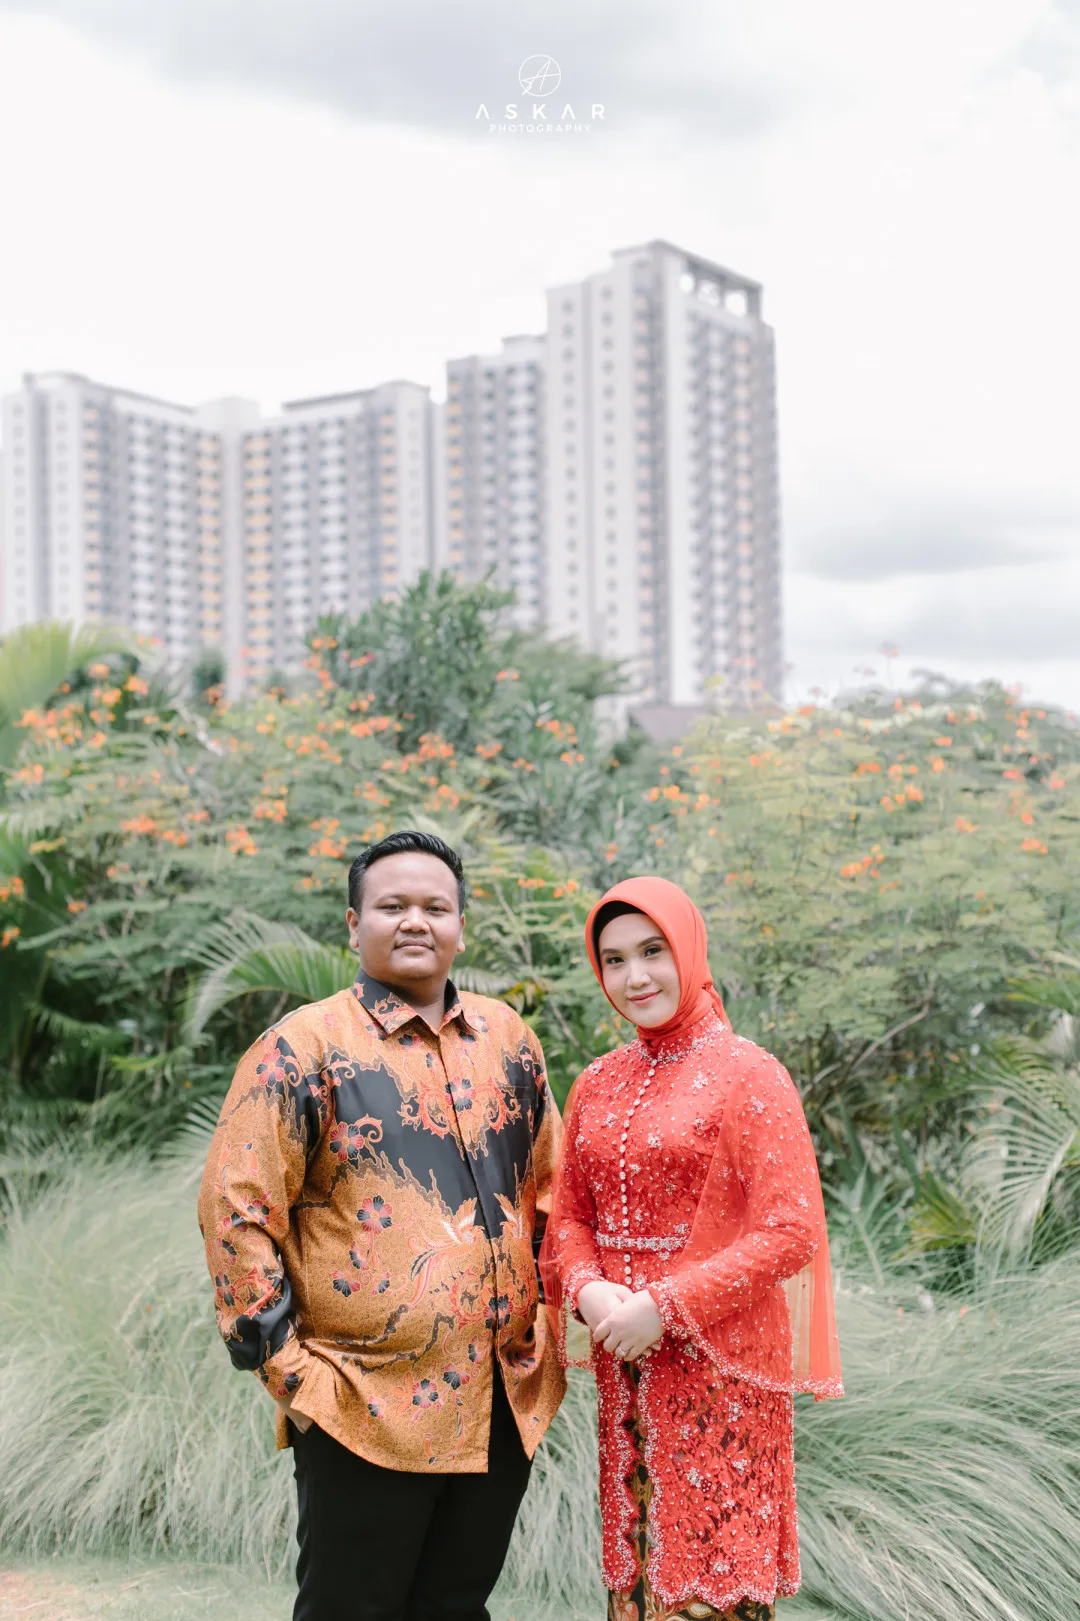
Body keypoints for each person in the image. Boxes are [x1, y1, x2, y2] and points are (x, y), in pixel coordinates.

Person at [198, 829, 565, 1621]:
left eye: (436, 906)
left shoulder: (509, 1041)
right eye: (392, 904)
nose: (415, 920)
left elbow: (553, 1194)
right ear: (353, 922)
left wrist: (550, 1331)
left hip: (499, 1397)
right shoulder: (302, 1048)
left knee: (455, 1607)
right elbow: (237, 1212)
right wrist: (294, 1378)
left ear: (461, 925)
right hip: (360, 1404)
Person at [540, 876, 843, 1621]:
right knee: (637, 1575)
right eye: (614, 960)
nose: (635, 976)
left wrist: (664, 1307)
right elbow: (569, 1216)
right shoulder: (598, 1082)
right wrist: (588, 1290)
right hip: (625, 1364)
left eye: (653, 951)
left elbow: (791, 1229)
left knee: (711, 1587)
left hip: (721, 1375)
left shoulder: (751, 1073)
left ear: (689, 950)